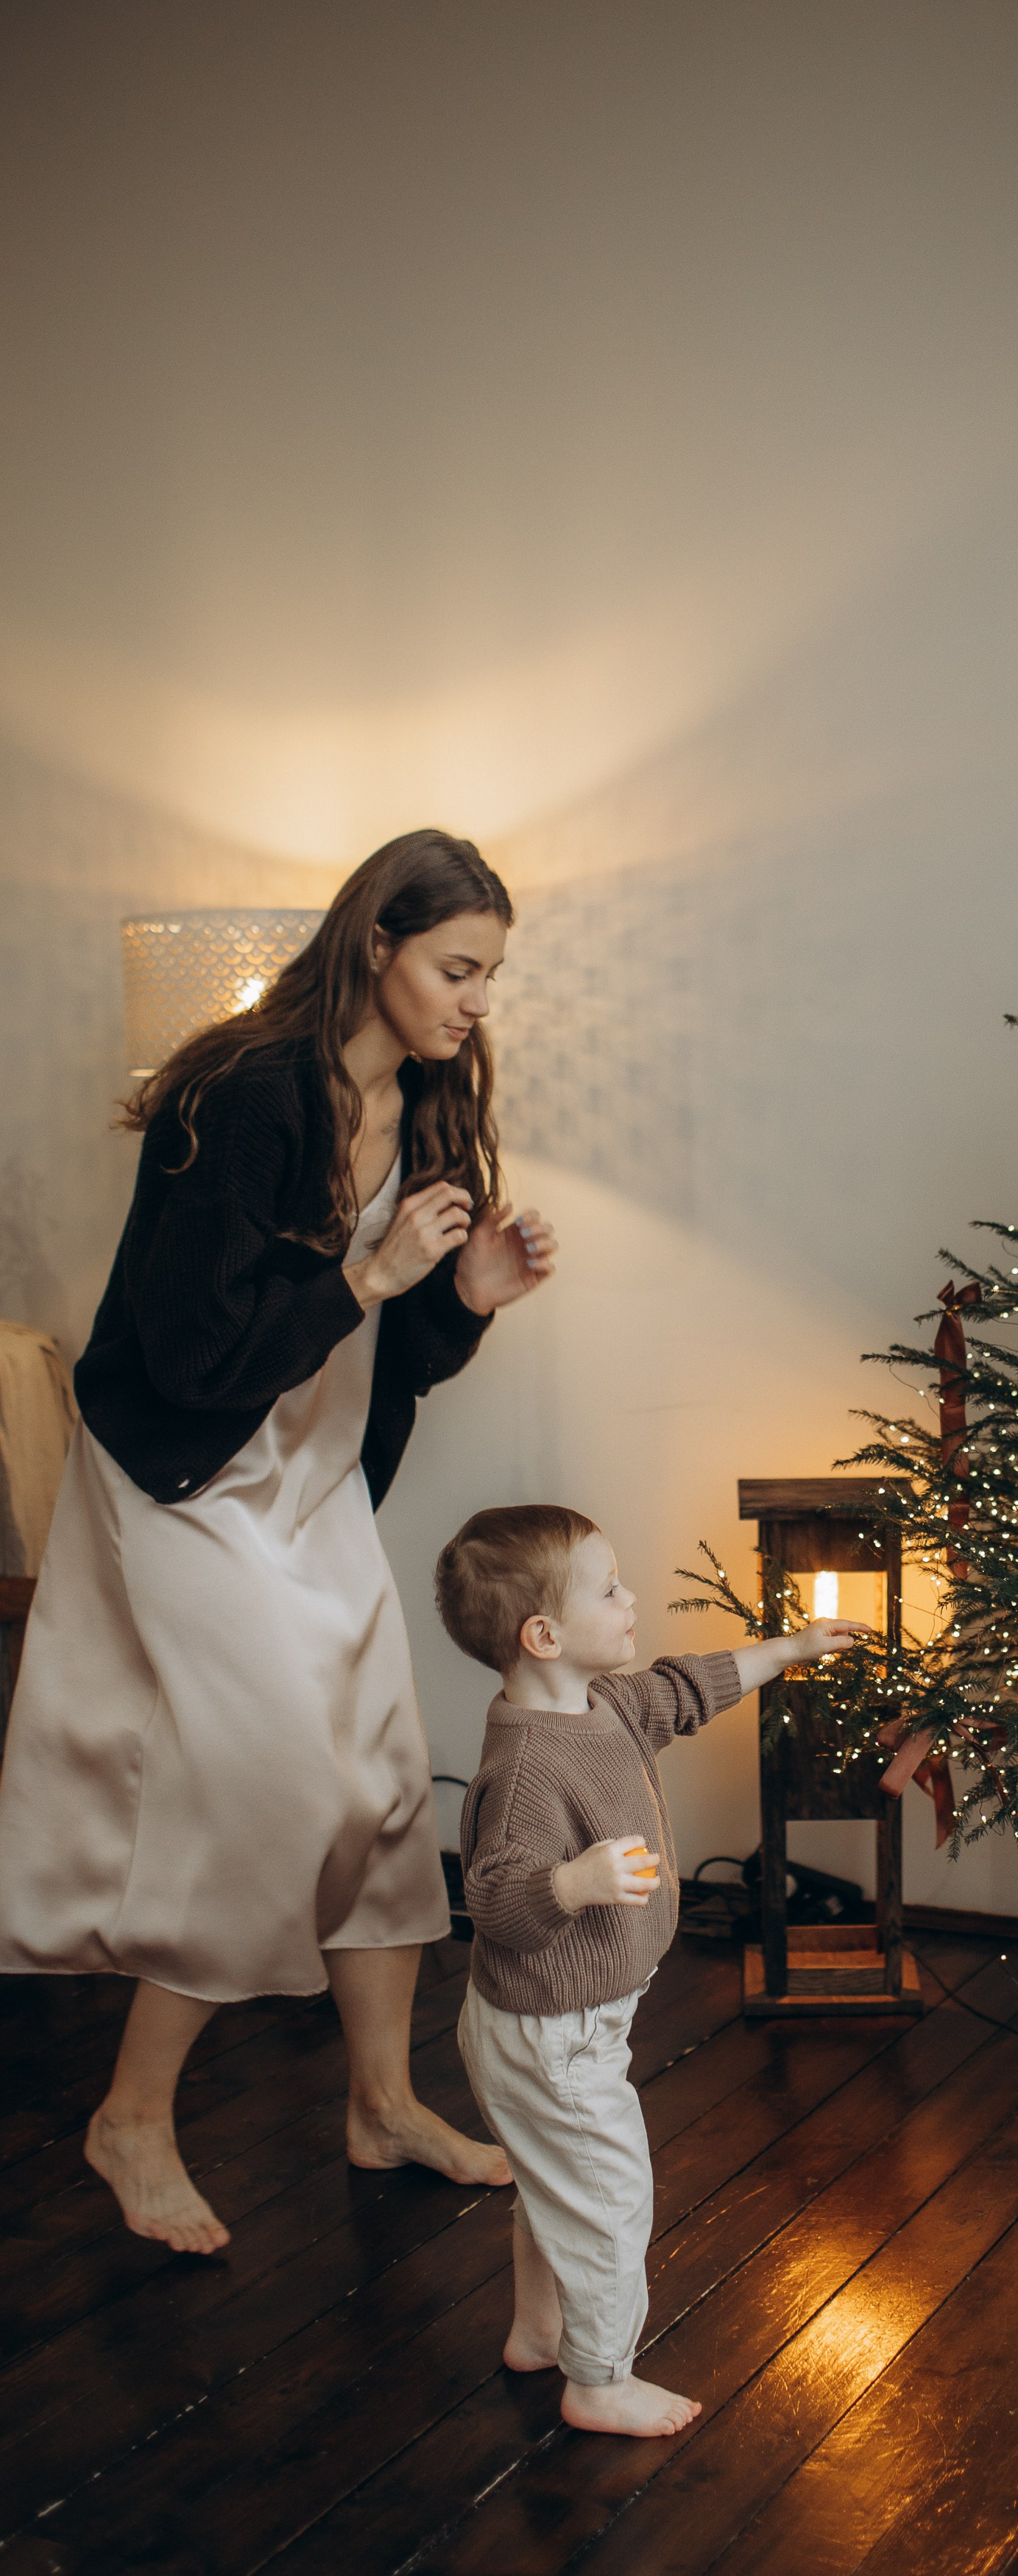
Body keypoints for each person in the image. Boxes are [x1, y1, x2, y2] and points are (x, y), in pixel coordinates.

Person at [0, 828, 558, 2256]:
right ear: (375, 942)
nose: (474, 999)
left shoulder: (432, 1099)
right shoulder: (248, 1093)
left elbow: (400, 1352)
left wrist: (465, 1296)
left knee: (374, 1778)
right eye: (456, 967)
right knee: (271, 1788)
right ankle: (129, 2115)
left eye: (489, 973)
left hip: (313, 1482)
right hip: (187, 1471)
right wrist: (369, 1270)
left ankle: (380, 2103)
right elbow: (191, 1355)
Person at [436, 1502, 868, 2438]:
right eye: (609, 1587)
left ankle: (538, 2332)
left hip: (570, 2023)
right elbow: (497, 1901)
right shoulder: (521, 1774)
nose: (631, 1598)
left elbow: (692, 1684)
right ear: (542, 1633)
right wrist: (570, 1881)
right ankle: (597, 2378)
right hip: (552, 2036)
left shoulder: (611, 1704)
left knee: (559, 2183)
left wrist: (790, 1648)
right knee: (607, 2199)